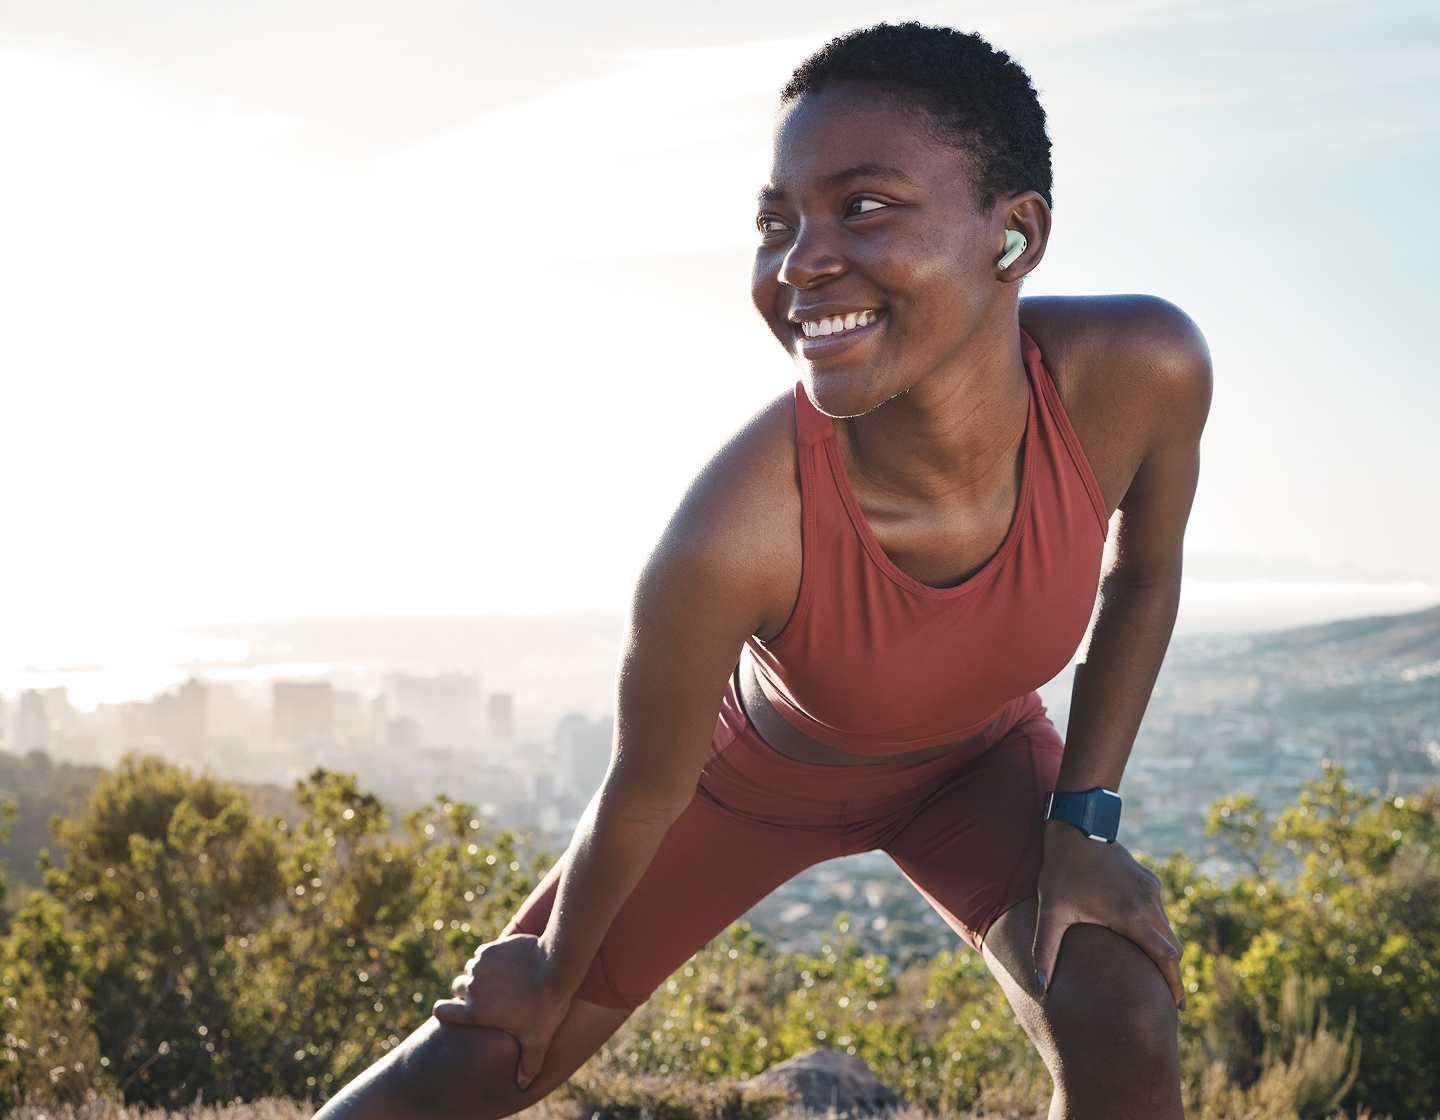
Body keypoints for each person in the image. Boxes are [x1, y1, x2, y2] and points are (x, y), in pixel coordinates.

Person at [318, 22, 1211, 1120]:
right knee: (482, 1059)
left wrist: (1082, 823)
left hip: (977, 766)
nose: (800, 261)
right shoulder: (735, 529)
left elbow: (1145, 575)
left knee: (1120, 1004)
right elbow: (644, 791)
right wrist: (547, 975)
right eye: (777, 222)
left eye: (865, 206)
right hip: (739, 788)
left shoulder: (1140, 374)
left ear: (1015, 236)